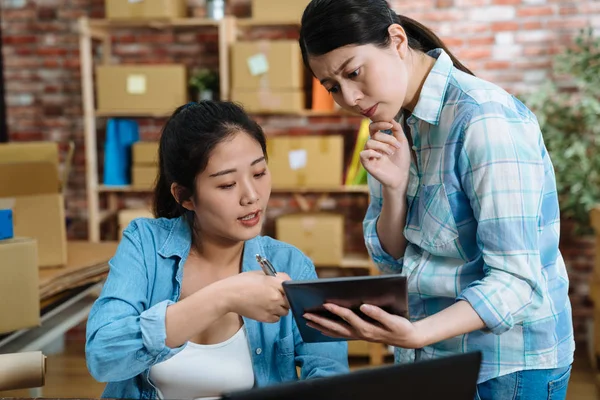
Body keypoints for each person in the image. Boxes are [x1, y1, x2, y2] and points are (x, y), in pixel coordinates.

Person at [298, 1, 574, 399]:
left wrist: (416, 334)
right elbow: (395, 258)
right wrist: (394, 192)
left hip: (504, 367)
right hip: (432, 358)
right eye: (333, 87)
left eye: (354, 73)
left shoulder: (483, 119)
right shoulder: (392, 123)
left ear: (396, 40)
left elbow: (515, 281)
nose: (351, 98)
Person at [85, 101, 348, 400]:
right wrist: (225, 296)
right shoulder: (146, 245)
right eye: (227, 184)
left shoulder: (291, 264)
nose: (251, 196)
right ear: (185, 196)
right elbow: (103, 357)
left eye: (259, 173)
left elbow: (330, 375)